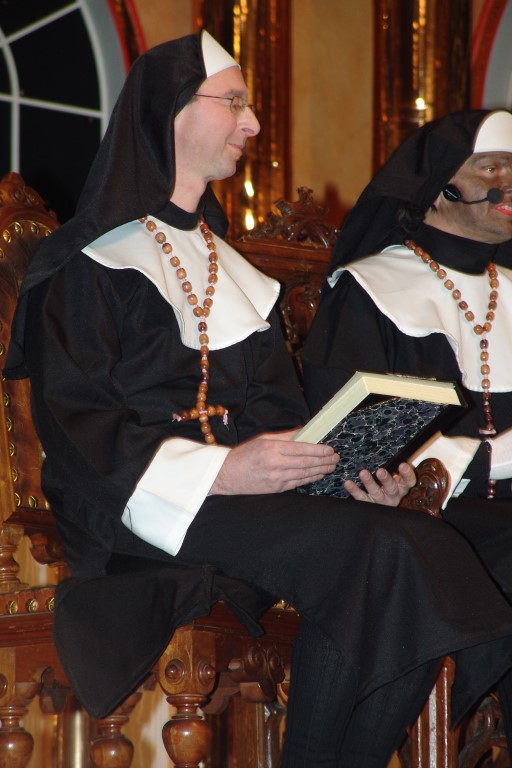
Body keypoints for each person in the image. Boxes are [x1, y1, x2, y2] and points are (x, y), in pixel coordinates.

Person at [4, 35, 512, 767]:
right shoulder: (88, 263)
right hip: (137, 508)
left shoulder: (234, 270)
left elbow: (280, 418)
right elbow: (76, 423)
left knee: (409, 542)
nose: (252, 123)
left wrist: (348, 477)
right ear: (171, 111)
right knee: (386, 554)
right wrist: (223, 470)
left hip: (251, 505)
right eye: (234, 103)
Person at [302, 108, 512, 750]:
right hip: (428, 518)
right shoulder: (370, 289)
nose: (509, 184)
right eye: (492, 169)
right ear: (438, 186)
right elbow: (354, 439)